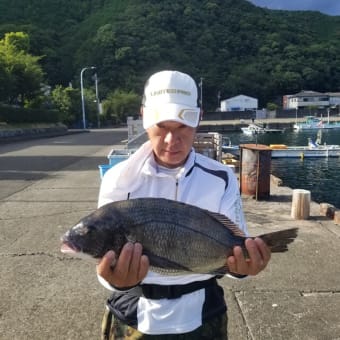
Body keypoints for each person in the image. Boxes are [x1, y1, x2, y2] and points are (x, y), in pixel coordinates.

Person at [96, 70, 271, 339]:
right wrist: (113, 280)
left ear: (198, 119)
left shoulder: (221, 177)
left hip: (203, 313)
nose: (171, 141)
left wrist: (243, 270)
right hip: (134, 314)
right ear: (144, 117)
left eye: (182, 128)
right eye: (162, 127)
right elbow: (104, 260)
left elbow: (234, 247)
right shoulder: (117, 179)